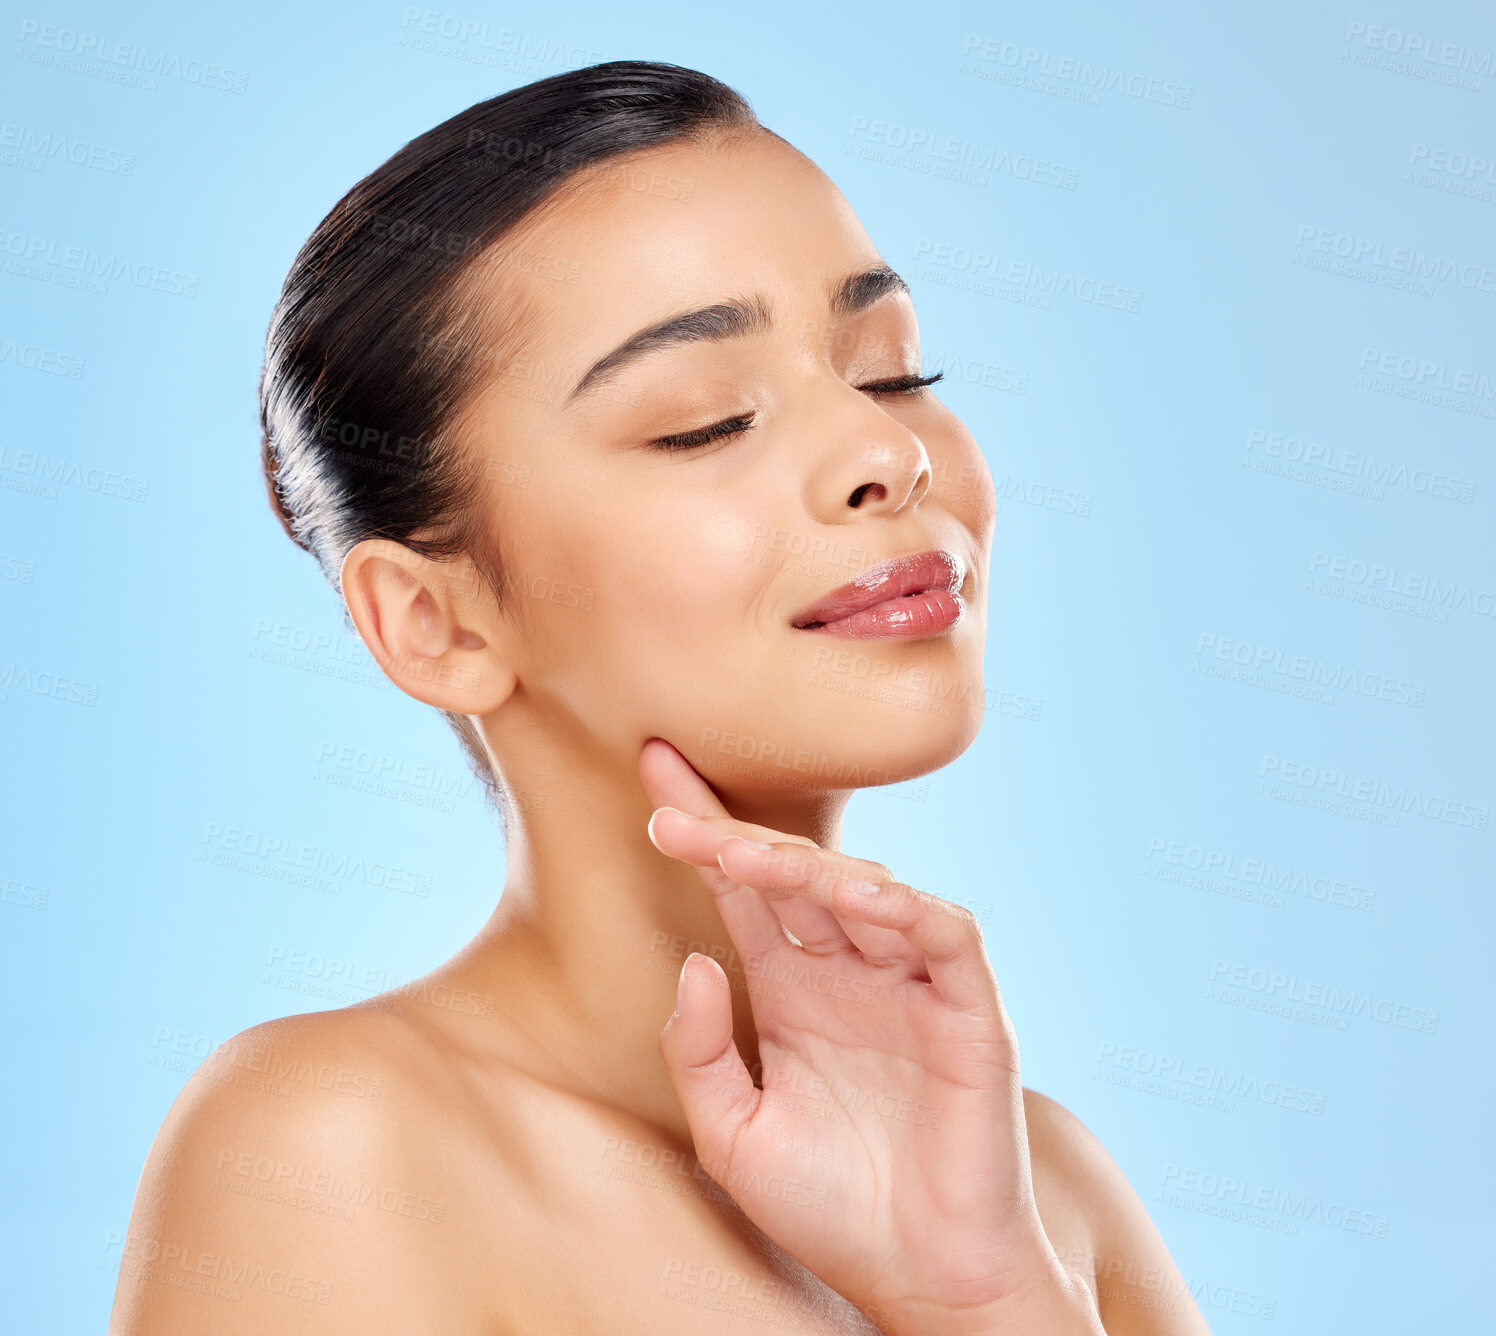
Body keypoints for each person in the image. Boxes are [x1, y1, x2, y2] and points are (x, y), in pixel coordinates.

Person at [109, 60, 1210, 1335]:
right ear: (434, 619)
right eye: (703, 421)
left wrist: (980, 1300)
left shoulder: (1040, 1193)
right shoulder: (340, 1151)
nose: (885, 451)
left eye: (893, 371)